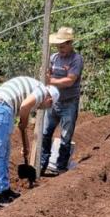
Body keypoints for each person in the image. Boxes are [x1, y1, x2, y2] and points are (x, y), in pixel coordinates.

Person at [0, 76, 59, 209]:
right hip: (0, 107)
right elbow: (24, 107)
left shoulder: (35, 89)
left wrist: (25, 140)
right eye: (47, 106)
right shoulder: (42, 91)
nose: (43, 108)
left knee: (4, 152)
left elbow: (23, 118)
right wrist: (24, 122)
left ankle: (4, 190)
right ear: (50, 100)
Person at [40, 27, 83, 176]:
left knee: (65, 136)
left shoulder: (76, 59)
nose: (61, 49)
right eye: (59, 46)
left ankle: (61, 167)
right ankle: (41, 165)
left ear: (70, 43)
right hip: (53, 102)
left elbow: (70, 80)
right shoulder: (53, 58)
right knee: (45, 133)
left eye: (63, 46)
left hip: (69, 102)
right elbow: (46, 75)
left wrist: (50, 80)